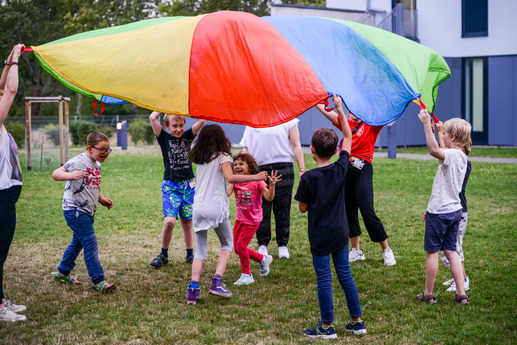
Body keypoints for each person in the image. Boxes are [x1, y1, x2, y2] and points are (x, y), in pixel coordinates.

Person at [295, 95, 366, 339]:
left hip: (320, 236)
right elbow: (348, 136)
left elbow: (302, 208)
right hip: (341, 233)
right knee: (345, 274)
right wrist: (339, 109)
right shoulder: (341, 168)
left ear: (312, 150)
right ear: (335, 150)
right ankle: (357, 322)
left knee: (324, 278)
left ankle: (326, 327)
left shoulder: (308, 179)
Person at [186, 125, 267, 305]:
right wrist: (256, 177)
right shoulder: (223, 157)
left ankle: (193, 290)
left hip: (198, 208)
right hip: (216, 207)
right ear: (221, 139)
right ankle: (217, 282)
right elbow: (230, 178)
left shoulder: (199, 158)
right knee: (227, 244)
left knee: (200, 251)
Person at [316, 102, 396, 266]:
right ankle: (356, 250)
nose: (354, 114)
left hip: (363, 169)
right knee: (348, 210)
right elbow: (327, 113)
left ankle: (386, 250)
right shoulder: (346, 122)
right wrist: (315, 102)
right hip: (345, 169)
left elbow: (386, 111)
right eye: (352, 111)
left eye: (358, 111)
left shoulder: (371, 125)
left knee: (367, 211)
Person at [416, 109, 471, 305]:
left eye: (446, 134)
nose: (444, 137)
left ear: (453, 136)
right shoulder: (460, 157)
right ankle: (461, 292)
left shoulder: (452, 156)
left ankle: (428, 293)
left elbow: (434, 151)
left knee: (433, 252)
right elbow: (441, 152)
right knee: (451, 250)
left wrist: (425, 125)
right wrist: (438, 132)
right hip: (454, 211)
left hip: (439, 213)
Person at [51, 131, 116, 293]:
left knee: (78, 242)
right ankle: (98, 280)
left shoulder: (97, 165)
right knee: (90, 242)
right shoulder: (79, 161)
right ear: (89, 147)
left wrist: (101, 199)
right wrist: (70, 175)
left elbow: (93, 186)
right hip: (75, 210)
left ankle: (62, 272)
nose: (106, 153)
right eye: (102, 149)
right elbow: (55, 174)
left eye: (108, 149)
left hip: (87, 211)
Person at [240, 119, 305, 259]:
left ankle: (282, 245)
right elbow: (245, 147)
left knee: (283, 207)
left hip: (284, 168)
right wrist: (245, 169)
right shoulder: (252, 120)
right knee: (262, 209)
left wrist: (302, 169)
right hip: (260, 170)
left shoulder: (289, 119)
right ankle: (263, 244)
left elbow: (296, 144)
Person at [148, 112, 205, 267]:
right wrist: (163, 105)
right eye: (174, 126)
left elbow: (202, 119)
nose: (179, 129)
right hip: (171, 186)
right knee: (170, 222)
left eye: (181, 125)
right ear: (167, 126)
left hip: (188, 186)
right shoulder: (164, 138)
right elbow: (152, 118)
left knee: (187, 222)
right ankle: (163, 254)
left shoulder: (188, 136)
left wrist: (187, 108)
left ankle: (189, 255)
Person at [0, 44, 27, 322]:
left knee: (1, 253)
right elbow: (9, 90)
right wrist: (17, 60)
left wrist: (8, 62)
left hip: (6, 196)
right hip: (1, 197)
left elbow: (1, 86)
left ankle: (1, 299)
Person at [227, 153, 279, 286]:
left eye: (241, 164)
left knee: (241, 246)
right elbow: (226, 193)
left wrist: (272, 186)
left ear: (250, 167)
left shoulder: (257, 181)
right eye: (235, 164)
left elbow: (268, 197)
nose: (237, 166)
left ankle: (247, 275)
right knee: (238, 249)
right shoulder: (235, 181)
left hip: (252, 220)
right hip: (240, 219)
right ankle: (262, 259)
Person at [434, 121, 472, 292]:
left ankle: (463, 280)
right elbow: (445, 154)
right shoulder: (454, 158)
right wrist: (441, 131)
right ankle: (457, 277)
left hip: (457, 209)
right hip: (452, 208)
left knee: (455, 248)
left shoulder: (462, 163)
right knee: (450, 247)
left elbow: (444, 154)